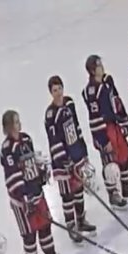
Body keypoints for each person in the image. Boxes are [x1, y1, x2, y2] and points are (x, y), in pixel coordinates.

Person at [0, 110, 71, 254]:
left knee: (45, 227)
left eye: (18, 121)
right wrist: (24, 197)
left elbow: (32, 164)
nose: (19, 124)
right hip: (22, 201)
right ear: (9, 127)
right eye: (16, 122)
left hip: (36, 193)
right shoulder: (7, 149)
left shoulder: (26, 140)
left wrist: (41, 174)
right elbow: (13, 175)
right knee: (29, 235)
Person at [43, 75, 99, 243]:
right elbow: (54, 140)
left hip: (76, 155)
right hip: (62, 163)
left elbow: (76, 126)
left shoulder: (69, 103)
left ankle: (81, 220)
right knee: (67, 195)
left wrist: (83, 151)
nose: (58, 93)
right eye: (54, 90)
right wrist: (64, 160)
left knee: (79, 190)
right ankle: (71, 226)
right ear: (51, 93)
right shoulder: (50, 115)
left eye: (59, 88)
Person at [82, 54, 128, 209]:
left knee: (124, 154)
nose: (102, 67)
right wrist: (103, 139)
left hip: (115, 125)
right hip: (103, 129)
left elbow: (117, 101)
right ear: (92, 70)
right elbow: (94, 117)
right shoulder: (91, 91)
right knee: (110, 164)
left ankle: (126, 186)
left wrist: (124, 120)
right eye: (98, 66)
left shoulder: (107, 82)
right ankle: (113, 194)